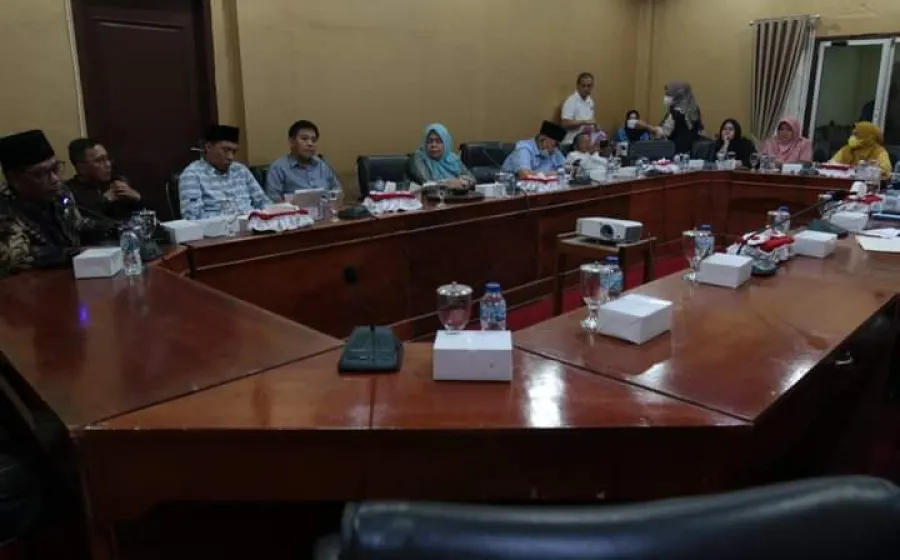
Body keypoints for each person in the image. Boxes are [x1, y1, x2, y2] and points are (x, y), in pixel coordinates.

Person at [0, 130, 102, 276]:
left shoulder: (59, 192)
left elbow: (77, 224)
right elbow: (17, 258)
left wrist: (114, 229)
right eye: (40, 173)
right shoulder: (5, 208)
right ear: (15, 180)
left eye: (55, 168)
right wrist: (74, 253)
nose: (55, 179)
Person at [178, 125, 269, 220]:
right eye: (226, 150)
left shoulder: (240, 170)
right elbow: (192, 217)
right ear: (209, 147)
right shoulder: (192, 174)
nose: (231, 157)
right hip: (218, 227)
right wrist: (232, 220)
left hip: (253, 224)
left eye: (234, 152)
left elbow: (263, 201)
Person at [66, 138, 143, 223]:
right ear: (82, 168)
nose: (108, 164)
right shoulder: (69, 192)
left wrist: (137, 199)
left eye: (107, 158)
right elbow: (81, 223)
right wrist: (106, 201)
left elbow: (140, 217)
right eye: (99, 161)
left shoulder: (116, 182)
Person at [265, 120, 340, 202]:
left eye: (313, 140)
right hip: (294, 210)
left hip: (325, 209)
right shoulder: (278, 168)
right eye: (304, 139)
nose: (310, 144)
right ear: (291, 142)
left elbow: (338, 192)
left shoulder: (322, 165)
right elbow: (273, 201)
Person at [644, 81, 706, 154]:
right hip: (691, 153)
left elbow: (662, 134)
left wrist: (650, 128)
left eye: (668, 95)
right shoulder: (695, 111)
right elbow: (701, 131)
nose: (666, 97)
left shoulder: (675, 113)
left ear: (677, 96)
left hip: (674, 153)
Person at [407, 123, 475, 187]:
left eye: (438, 141)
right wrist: (449, 183)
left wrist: (467, 181)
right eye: (430, 141)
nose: (434, 145)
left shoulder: (453, 158)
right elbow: (427, 182)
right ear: (425, 143)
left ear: (446, 143)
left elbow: (472, 179)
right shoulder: (418, 158)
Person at [501, 121, 567, 178]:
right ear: (542, 139)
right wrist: (552, 174)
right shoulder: (524, 148)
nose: (555, 150)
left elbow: (567, 170)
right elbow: (524, 174)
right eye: (554, 145)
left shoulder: (554, 151)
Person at [560, 72, 596, 144]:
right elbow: (564, 123)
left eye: (589, 86)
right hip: (571, 142)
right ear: (578, 86)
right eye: (583, 86)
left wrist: (595, 126)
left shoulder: (590, 101)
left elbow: (590, 121)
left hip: (586, 141)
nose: (586, 88)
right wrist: (584, 122)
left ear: (592, 86)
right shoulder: (571, 101)